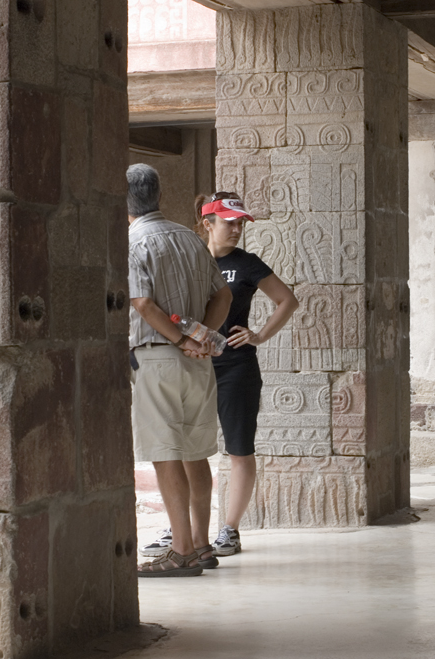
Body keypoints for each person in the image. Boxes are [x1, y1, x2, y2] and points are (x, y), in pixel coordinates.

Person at [143, 192, 298, 559]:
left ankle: (229, 529)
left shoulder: (248, 263)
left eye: (241, 223)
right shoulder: (189, 258)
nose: (237, 229)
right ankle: (181, 529)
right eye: (230, 222)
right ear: (206, 223)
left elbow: (287, 300)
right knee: (181, 449)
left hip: (235, 367)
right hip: (192, 363)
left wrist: (258, 334)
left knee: (238, 449)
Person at [126, 164, 232, 578]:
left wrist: (180, 339)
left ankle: (182, 549)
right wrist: (204, 336)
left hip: (159, 356)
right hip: (198, 362)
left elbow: (142, 304)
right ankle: (204, 544)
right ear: (158, 194)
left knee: (166, 454)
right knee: (195, 453)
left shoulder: (133, 242)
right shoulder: (189, 237)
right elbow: (221, 294)